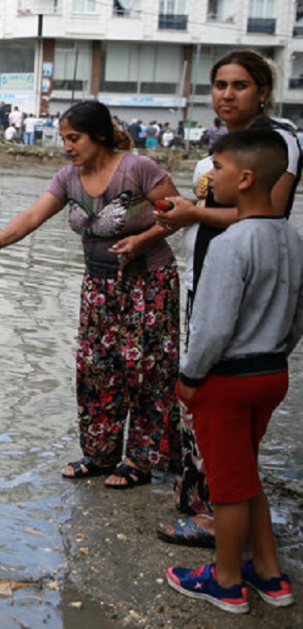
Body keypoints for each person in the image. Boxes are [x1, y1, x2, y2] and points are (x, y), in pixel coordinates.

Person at [0, 101, 180, 489]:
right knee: (95, 369)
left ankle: (140, 460)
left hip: (148, 286)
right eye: (64, 138)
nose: (67, 146)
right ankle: (100, 454)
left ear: (98, 135)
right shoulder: (69, 178)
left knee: (146, 372)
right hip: (98, 287)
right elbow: (34, 215)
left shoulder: (138, 169)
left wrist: (141, 239)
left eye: (74, 138)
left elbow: (179, 211)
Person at [155, 49, 302, 549]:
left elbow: (264, 215)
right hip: (208, 282)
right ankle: (215, 514)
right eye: (219, 85)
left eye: (239, 85)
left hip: (238, 294)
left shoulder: (274, 141)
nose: (226, 94)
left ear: (262, 90)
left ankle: (220, 531)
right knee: (215, 426)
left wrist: (194, 215)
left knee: (220, 418)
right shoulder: (225, 143)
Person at [164, 129, 301, 614]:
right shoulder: (291, 235)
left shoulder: (228, 242)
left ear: (245, 178)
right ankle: (270, 574)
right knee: (247, 475)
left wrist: (190, 377)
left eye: (215, 169)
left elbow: (211, 325)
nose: (208, 179)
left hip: (226, 379)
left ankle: (224, 583)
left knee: (225, 485)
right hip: (272, 373)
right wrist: (276, 351)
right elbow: (298, 315)